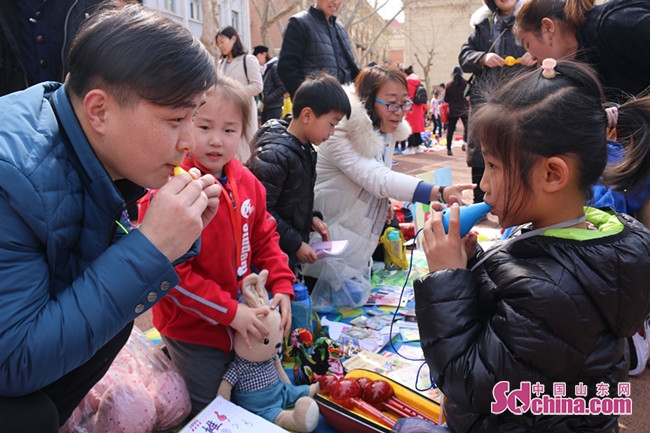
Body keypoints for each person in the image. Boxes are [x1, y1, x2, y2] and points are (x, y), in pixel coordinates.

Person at [0, 5, 220, 432]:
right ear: (99, 110)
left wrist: (172, 240)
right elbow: (13, 360)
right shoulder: (13, 179)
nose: (189, 141)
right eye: (176, 119)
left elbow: (88, 280)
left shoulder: (84, 138)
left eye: (193, 117)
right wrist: (152, 246)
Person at [414, 60, 650, 432]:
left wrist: (446, 277)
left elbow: (469, 383)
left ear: (552, 174)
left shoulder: (552, 291)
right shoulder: (576, 233)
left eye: (493, 166)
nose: (484, 186)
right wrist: (471, 259)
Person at [138, 76, 296, 418]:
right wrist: (230, 312)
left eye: (229, 130)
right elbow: (172, 275)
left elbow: (264, 236)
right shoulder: (172, 188)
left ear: (242, 133)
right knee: (214, 409)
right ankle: (173, 358)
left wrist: (282, 284)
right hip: (195, 328)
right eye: (204, 126)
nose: (215, 141)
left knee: (259, 390)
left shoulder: (247, 181)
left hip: (241, 317)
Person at [302, 66, 475, 288]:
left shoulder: (384, 131)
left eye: (405, 103)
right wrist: (439, 192)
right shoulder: (341, 131)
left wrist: (381, 203)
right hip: (326, 242)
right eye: (392, 103)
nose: (400, 111)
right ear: (368, 101)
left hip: (353, 244)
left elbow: (376, 180)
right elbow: (378, 179)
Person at [247, 74, 351, 274]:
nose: (332, 132)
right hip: (268, 259)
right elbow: (262, 211)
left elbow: (293, 196)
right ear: (307, 115)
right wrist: (295, 244)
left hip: (283, 252)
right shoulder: (275, 155)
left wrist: (311, 216)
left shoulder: (304, 149)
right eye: (331, 124)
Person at [459, 0, 534, 203]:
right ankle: (480, 201)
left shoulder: (530, 17)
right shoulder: (483, 23)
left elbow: (551, 46)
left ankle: (517, 202)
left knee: (516, 147)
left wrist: (535, 54)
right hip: (485, 97)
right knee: (480, 148)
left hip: (519, 96)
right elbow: (464, 55)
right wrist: (482, 57)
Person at [514, 0, 650, 103]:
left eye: (528, 44)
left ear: (548, 28)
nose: (531, 57)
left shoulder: (619, 24)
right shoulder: (578, 61)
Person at [277, 0, 361, 98]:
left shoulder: (341, 30)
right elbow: (286, 68)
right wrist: (307, 99)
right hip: (317, 106)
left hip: (344, 103)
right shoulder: (299, 23)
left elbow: (350, 69)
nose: (336, 2)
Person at [216, 26, 263, 163]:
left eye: (222, 41)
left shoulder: (248, 59)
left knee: (245, 146)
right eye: (218, 43)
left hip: (243, 107)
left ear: (233, 39)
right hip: (224, 109)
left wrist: (234, 91)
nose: (220, 46)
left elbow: (257, 86)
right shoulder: (221, 62)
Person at [258, 48, 289, 124]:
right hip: (266, 107)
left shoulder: (274, 67)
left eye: (257, 57)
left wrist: (269, 98)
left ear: (264, 54)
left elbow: (282, 87)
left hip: (274, 107)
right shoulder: (266, 69)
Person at [443, 66, 469, 156]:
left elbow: (446, 99)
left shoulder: (449, 85)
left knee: (450, 130)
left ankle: (449, 149)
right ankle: (466, 144)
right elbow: (468, 95)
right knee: (468, 129)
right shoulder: (465, 83)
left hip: (453, 110)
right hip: (464, 109)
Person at [402, 65, 427, 155]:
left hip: (410, 108)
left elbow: (405, 95)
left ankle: (410, 147)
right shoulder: (418, 82)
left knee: (410, 129)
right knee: (417, 130)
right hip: (419, 108)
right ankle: (417, 146)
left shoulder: (407, 82)